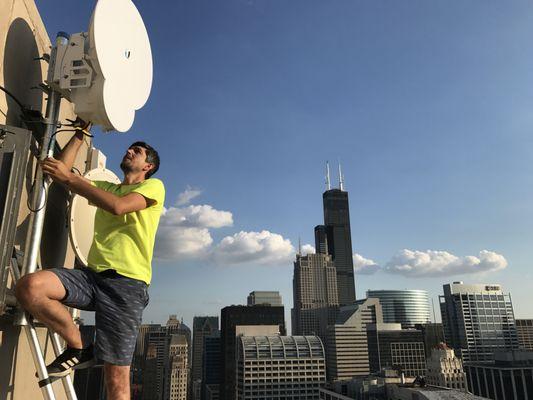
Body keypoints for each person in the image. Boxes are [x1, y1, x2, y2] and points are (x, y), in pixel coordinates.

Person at [15, 126, 165, 400]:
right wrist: (80, 133)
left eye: (138, 151)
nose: (129, 150)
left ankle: (86, 349)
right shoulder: (106, 186)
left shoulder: (153, 186)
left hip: (127, 286)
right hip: (92, 277)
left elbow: (118, 207)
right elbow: (61, 170)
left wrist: (72, 181)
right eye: (130, 147)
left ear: (148, 166)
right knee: (30, 287)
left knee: (116, 378)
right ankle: (79, 345)